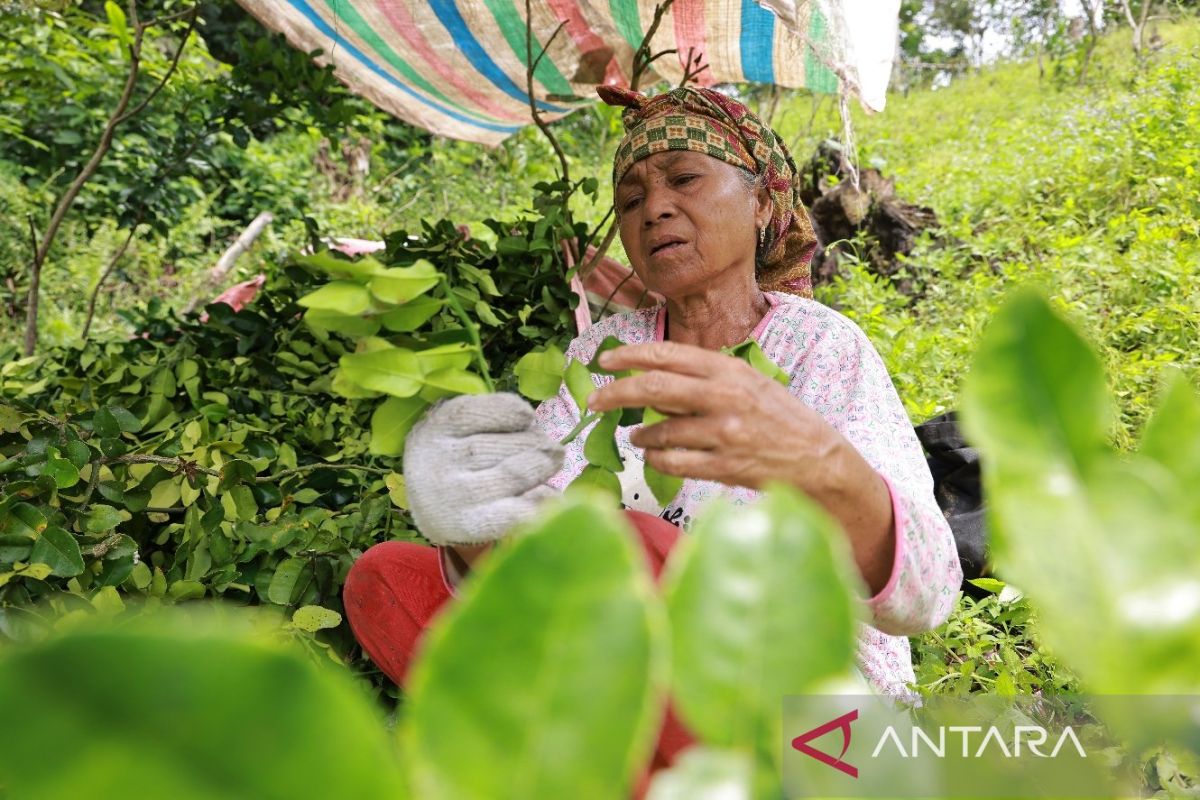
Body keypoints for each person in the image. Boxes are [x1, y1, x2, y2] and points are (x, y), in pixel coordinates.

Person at [343, 85, 962, 786]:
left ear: (761, 202)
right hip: (624, 683)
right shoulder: (604, 353)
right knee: (387, 579)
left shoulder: (821, 348)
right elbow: (542, 548)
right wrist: (469, 519)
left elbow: (928, 593)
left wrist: (822, 466)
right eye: (631, 198)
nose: (655, 208)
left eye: (685, 179)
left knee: (637, 547)